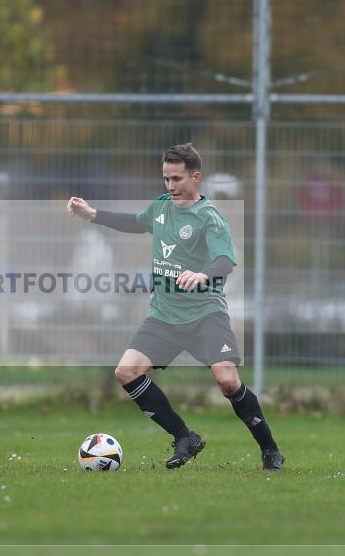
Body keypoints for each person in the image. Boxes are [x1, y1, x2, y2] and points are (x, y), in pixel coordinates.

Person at [67, 143, 284, 471]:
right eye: (166, 179)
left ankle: (270, 449)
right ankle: (184, 437)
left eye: (177, 179)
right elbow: (134, 222)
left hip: (205, 315)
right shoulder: (161, 207)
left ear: (196, 178)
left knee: (228, 382)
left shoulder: (210, 218)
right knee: (126, 371)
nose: (170, 186)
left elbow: (225, 260)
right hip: (164, 317)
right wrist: (92, 214)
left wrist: (202, 273)